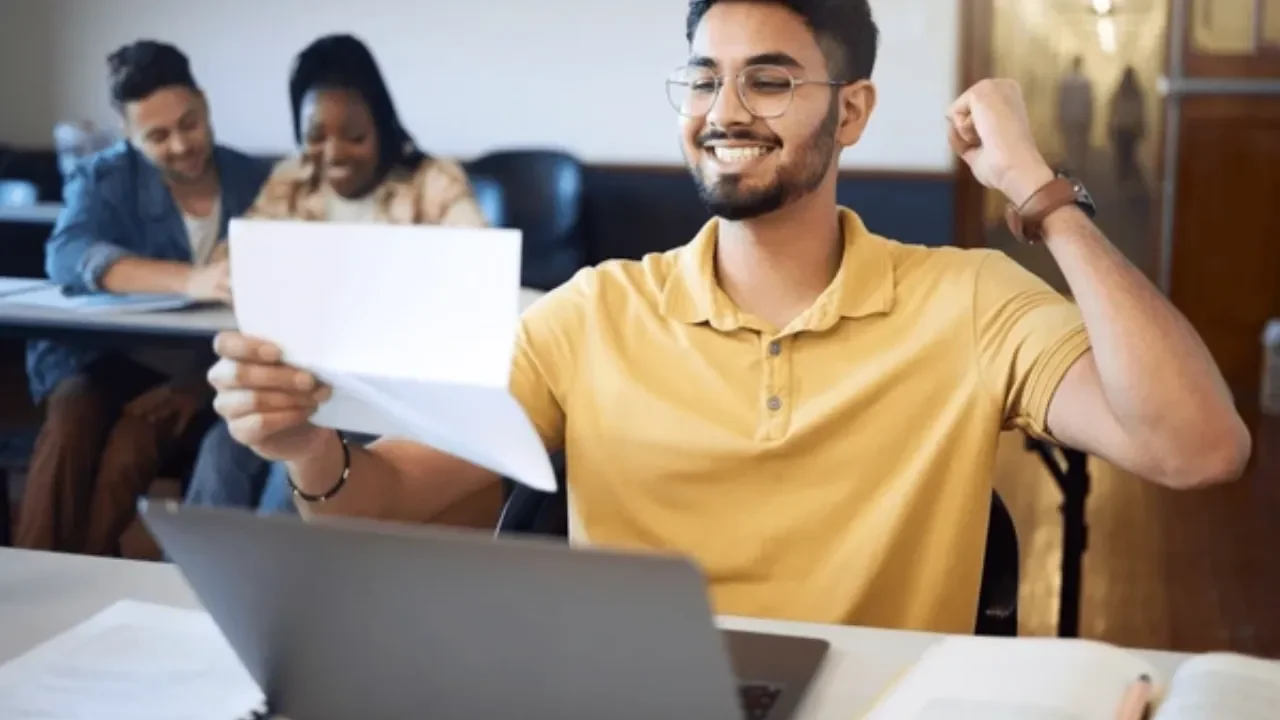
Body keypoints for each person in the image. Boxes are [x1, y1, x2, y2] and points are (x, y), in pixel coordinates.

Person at [205, 0, 1250, 634]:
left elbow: (1197, 447)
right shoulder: (593, 313)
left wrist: (1036, 191)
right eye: (703, 79)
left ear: (849, 111)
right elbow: (372, 498)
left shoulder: (965, 301)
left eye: (770, 80)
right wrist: (305, 447)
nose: (725, 111)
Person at [182, 33, 488, 518]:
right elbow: (232, 263)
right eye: (315, 137)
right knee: (221, 452)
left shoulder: (433, 182)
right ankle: (192, 583)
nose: (334, 153)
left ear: (383, 128)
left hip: (384, 399)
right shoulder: (292, 181)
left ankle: (277, 586)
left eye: (355, 136)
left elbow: (475, 277)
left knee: (289, 484)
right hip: (296, 385)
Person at [15, 40, 272, 555]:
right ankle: (28, 577)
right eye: (157, 136)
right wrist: (188, 279)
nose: (180, 145)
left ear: (204, 102)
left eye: (190, 123)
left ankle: (78, 574)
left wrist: (195, 385)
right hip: (98, 361)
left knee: (130, 446)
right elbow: (67, 254)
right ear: (129, 135)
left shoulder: (253, 181)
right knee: (72, 422)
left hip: (194, 368)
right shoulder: (103, 177)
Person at [1108, 66, 1146, 185]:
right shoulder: (1138, 93)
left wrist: (1110, 126)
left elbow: (1113, 111)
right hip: (1132, 128)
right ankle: (1128, 178)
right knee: (1130, 154)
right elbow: (1141, 112)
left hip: (1120, 128)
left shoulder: (1118, 93)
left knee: (1121, 155)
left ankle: (1122, 177)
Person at [1057, 55, 1093, 174]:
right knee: (1080, 144)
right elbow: (1088, 102)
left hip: (1068, 116)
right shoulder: (1085, 81)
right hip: (1082, 117)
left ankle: (1071, 165)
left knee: (1069, 143)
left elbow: (1061, 101)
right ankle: (1079, 166)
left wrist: (1059, 116)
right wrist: (1090, 118)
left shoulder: (1065, 81)